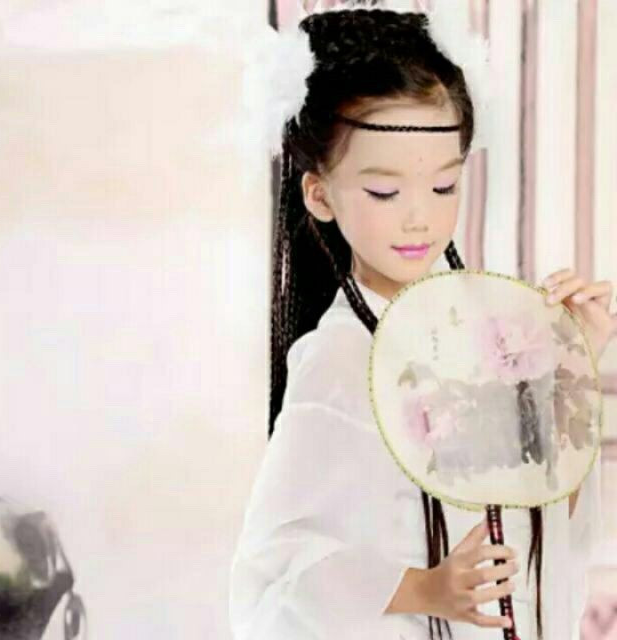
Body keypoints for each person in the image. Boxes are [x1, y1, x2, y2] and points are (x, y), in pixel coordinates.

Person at [228, 3, 614, 639]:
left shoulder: (490, 332)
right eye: (385, 192)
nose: (420, 218)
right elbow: (278, 573)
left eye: (443, 187)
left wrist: (571, 367)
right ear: (319, 194)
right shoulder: (339, 356)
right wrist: (422, 587)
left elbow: (546, 520)